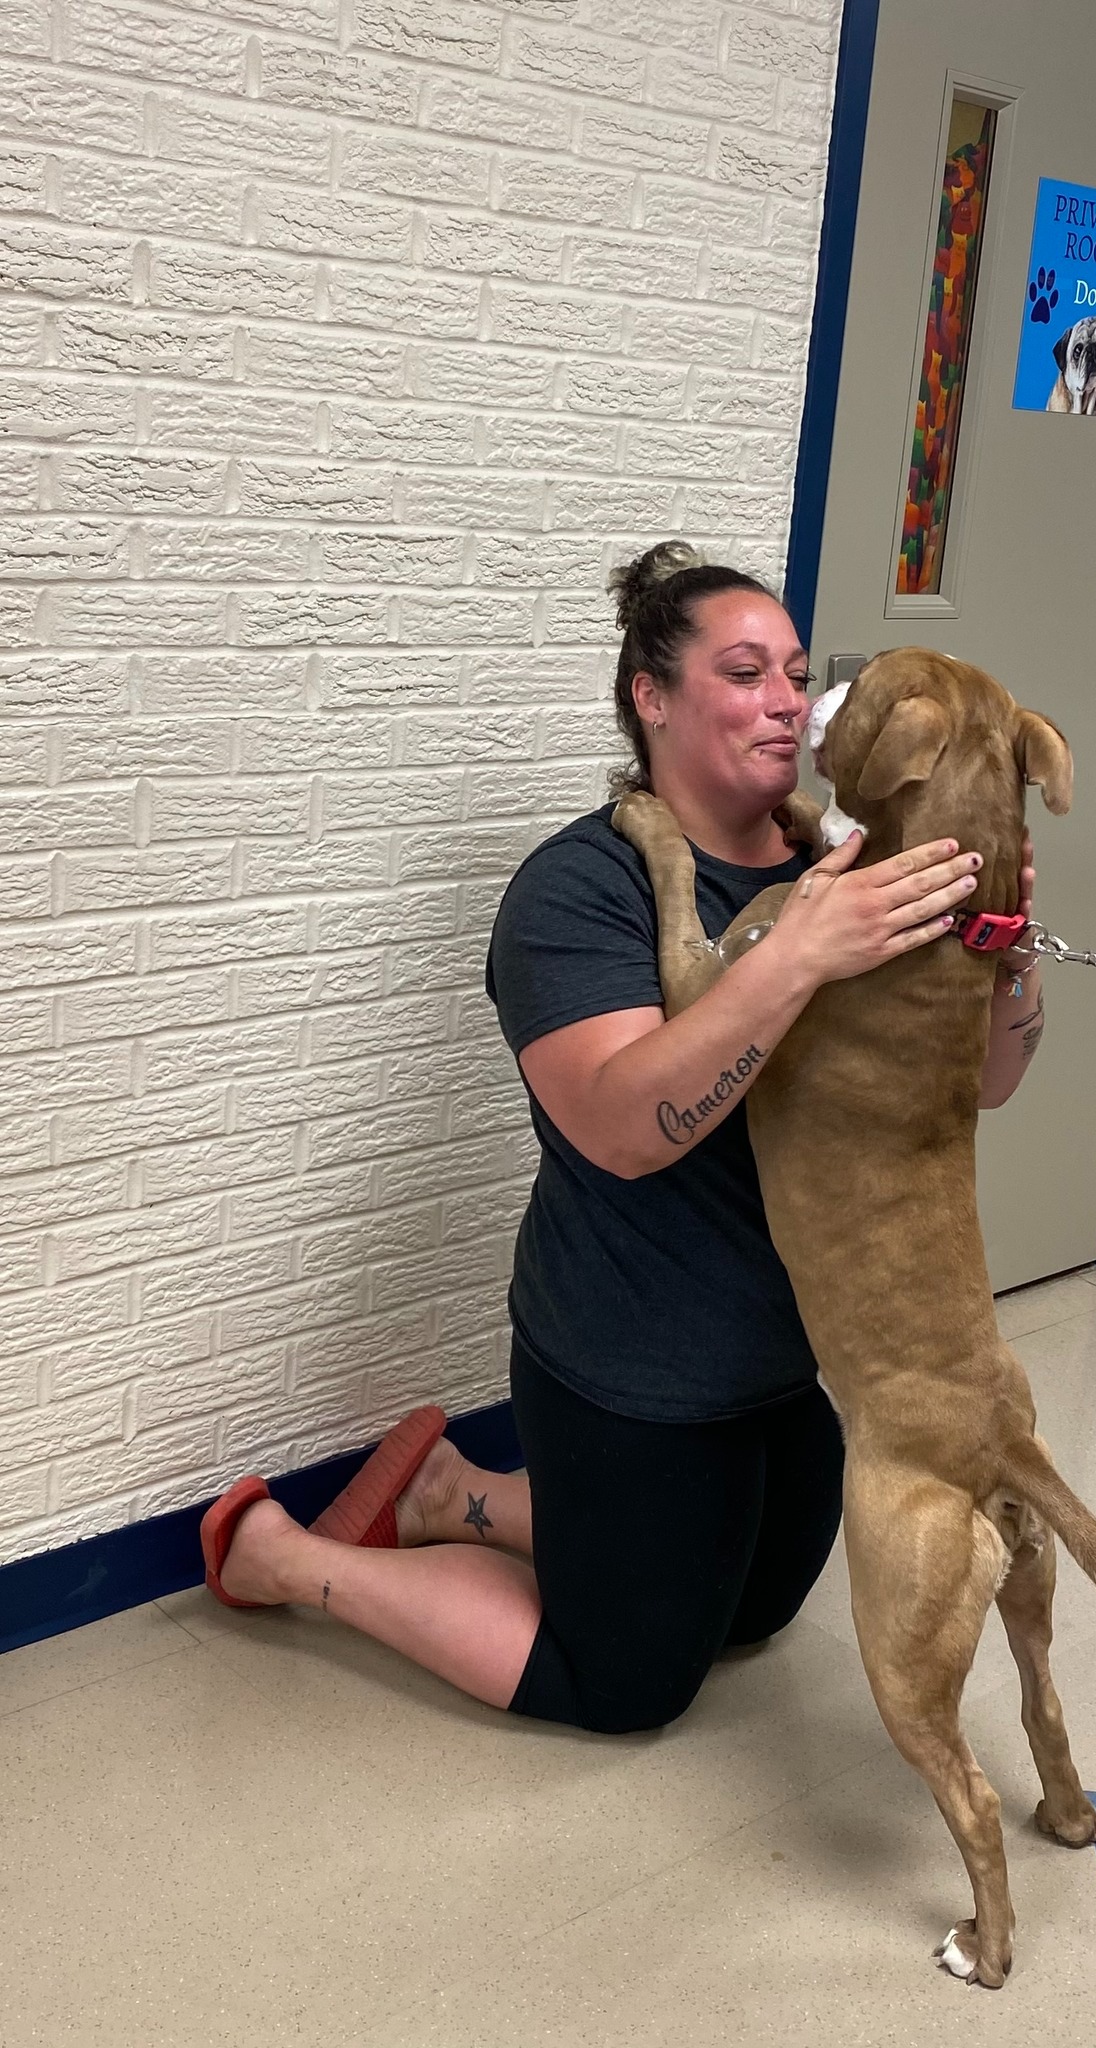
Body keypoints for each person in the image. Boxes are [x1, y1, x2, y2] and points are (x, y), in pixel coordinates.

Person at [209, 544, 1047, 1723]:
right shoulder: (580, 888)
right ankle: (286, 1557)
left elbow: (990, 1086)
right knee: (627, 1681)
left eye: (797, 674)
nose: (787, 702)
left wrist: (1004, 967)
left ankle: (462, 1495)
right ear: (651, 697)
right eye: (746, 671)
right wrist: (800, 953)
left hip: (790, 1353)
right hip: (631, 1359)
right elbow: (625, 1127)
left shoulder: (841, 865)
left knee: (752, 1614)